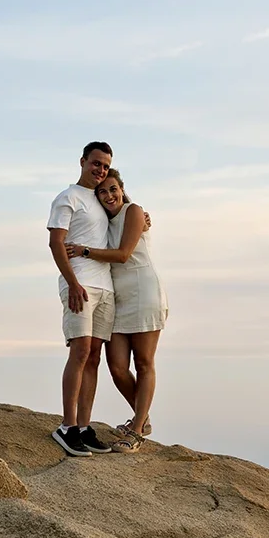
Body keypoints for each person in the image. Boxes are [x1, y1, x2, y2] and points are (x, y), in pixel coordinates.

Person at [67, 168, 167, 453]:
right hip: (118, 297)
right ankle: (142, 418)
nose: (109, 195)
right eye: (102, 191)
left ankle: (136, 431)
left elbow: (123, 255)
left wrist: (84, 251)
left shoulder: (134, 212)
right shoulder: (103, 222)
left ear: (122, 190)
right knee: (118, 367)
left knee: (144, 363)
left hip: (144, 291)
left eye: (113, 189)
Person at [46, 141, 120, 457]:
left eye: (105, 165)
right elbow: (55, 243)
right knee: (80, 351)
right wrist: (73, 283)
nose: (100, 170)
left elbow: (123, 214)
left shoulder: (101, 199)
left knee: (94, 357)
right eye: (96, 163)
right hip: (80, 284)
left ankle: (85, 427)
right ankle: (67, 426)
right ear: (83, 161)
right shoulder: (67, 198)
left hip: (105, 287)